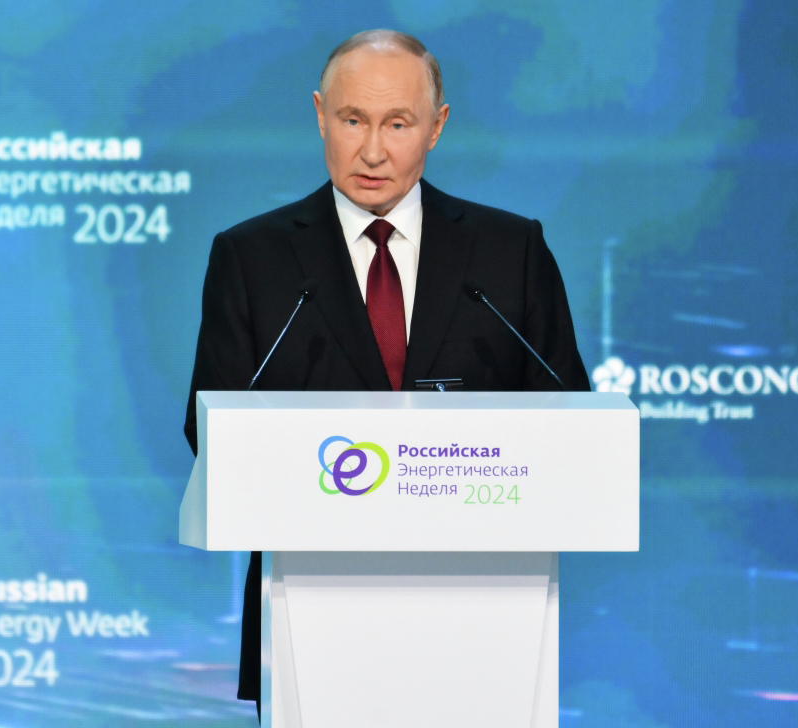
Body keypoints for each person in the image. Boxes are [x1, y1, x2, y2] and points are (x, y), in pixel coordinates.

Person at [183, 28, 591, 715]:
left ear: (437, 126)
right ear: (320, 115)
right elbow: (211, 430)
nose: (373, 151)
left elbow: (568, 419)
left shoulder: (510, 251)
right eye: (352, 120)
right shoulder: (251, 257)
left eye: (398, 124)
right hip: (310, 620)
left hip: (484, 620)